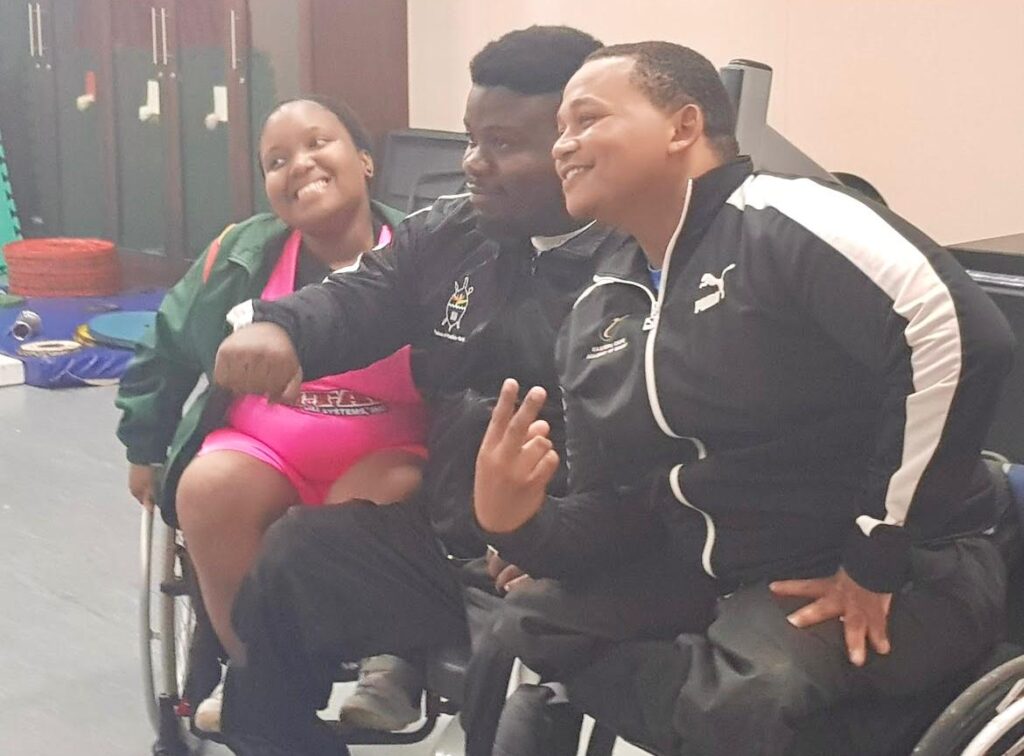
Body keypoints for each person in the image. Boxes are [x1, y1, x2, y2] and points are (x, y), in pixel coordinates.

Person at [474, 41, 1016, 755]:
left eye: (587, 119)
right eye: (559, 130)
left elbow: (959, 336)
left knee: (740, 696)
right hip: (718, 568)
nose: (563, 145)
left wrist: (877, 550)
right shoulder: (599, 306)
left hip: (897, 568)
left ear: (683, 126)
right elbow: (620, 511)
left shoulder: (786, 217)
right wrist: (517, 522)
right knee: (528, 624)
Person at [207, 26, 636, 756]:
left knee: (514, 673)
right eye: (471, 138)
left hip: (565, 558)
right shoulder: (451, 234)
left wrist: (558, 538)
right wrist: (281, 327)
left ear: (574, 144)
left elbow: (653, 447)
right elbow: (359, 296)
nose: (473, 163)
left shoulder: (637, 260)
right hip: (448, 542)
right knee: (296, 554)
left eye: (503, 144)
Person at [115, 96, 427, 732]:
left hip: (390, 447)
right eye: (277, 161)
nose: (299, 165)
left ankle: (391, 659)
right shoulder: (240, 255)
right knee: (207, 486)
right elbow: (166, 345)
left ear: (365, 161)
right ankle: (254, 668)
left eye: (318, 143)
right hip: (266, 444)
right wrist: (145, 447)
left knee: (381, 497)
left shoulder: (427, 250)